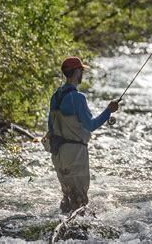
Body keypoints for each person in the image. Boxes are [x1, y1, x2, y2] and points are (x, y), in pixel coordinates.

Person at [47, 56, 119, 213]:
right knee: (79, 199)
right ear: (76, 72)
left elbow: (50, 127)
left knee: (67, 198)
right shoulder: (77, 98)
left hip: (57, 153)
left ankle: (61, 228)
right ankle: (77, 233)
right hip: (75, 153)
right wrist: (109, 111)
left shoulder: (55, 96)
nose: (82, 74)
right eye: (81, 71)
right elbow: (90, 125)